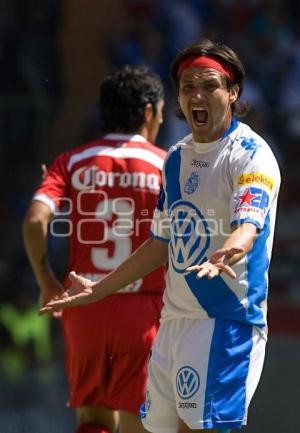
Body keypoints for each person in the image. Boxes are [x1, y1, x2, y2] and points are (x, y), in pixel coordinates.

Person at [40, 39, 281, 433]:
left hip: (224, 324)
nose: (197, 95)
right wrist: (102, 289)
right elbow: (160, 244)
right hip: (172, 324)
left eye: (209, 85)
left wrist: (232, 248)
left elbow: (248, 224)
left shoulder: (251, 153)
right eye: (188, 87)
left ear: (233, 92)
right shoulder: (175, 157)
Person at [23, 65, 166, 433]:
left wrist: (46, 281)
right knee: (140, 422)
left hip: (83, 307)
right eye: (162, 113)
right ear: (149, 112)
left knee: (93, 419)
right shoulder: (167, 165)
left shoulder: (71, 162)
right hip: (142, 311)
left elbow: (36, 221)